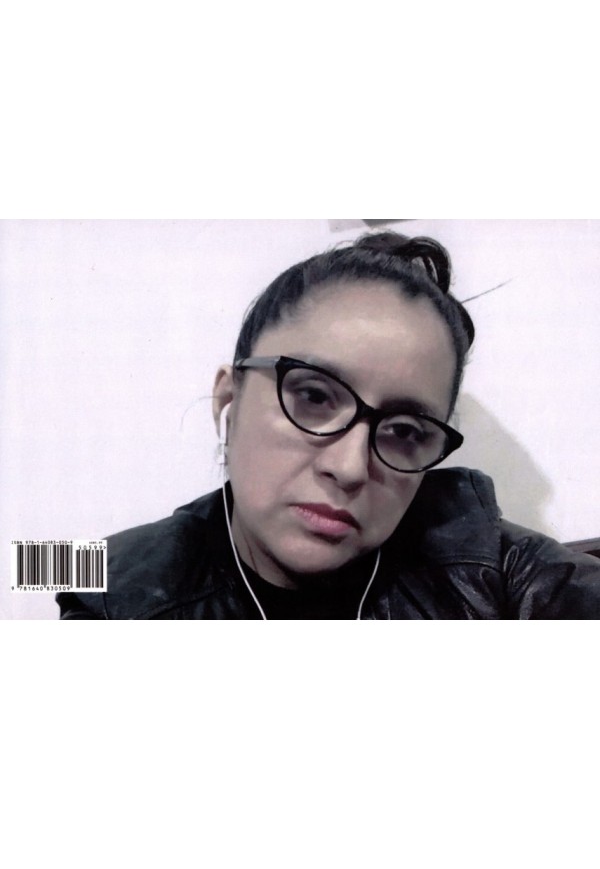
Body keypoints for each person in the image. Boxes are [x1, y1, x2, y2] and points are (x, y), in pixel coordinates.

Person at [57, 232, 600, 619]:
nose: (348, 468)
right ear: (230, 398)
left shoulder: (490, 566)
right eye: (314, 396)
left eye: (406, 431)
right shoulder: (107, 582)